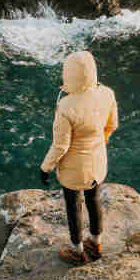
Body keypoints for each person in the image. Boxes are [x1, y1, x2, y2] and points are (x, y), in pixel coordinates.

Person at [38, 49, 119, 265]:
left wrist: (45, 168)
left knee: (73, 207)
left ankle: (78, 250)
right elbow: (112, 125)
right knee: (94, 200)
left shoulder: (65, 107)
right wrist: (100, 142)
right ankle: (97, 242)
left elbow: (60, 146)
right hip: (97, 164)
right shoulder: (107, 94)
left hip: (74, 170)